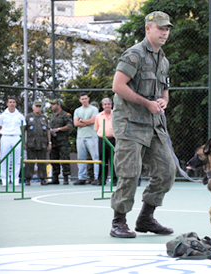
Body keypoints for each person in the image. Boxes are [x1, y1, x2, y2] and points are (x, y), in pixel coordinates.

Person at [109, 11, 176, 238]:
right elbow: (118, 86)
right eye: (160, 28)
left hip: (153, 125)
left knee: (167, 170)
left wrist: (162, 102)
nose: (165, 32)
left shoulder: (163, 60)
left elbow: (165, 91)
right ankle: (118, 222)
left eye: (167, 29)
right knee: (130, 173)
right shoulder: (134, 55)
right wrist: (147, 103)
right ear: (148, 28)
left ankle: (146, 218)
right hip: (130, 123)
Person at [73, 92, 99, 185]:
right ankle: (81, 178)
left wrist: (81, 120)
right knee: (81, 158)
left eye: (85, 98)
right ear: (80, 100)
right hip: (80, 137)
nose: (84, 100)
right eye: (82, 99)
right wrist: (86, 122)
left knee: (95, 158)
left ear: (88, 99)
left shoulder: (94, 109)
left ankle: (97, 178)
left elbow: (93, 121)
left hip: (92, 136)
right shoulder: (77, 110)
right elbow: (75, 123)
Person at [0, 96, 26, 186]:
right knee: (4, 158)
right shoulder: (2, 116)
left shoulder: (20, 116)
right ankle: (4, 179)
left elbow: (22, 128)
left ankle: (15, 179)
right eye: (10, 102)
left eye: (13, 102)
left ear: (16, 104)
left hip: (16, 137)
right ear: (7, 104)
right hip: (5, 137)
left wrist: (22, 139)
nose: (12, 104)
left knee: (16, 159)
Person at [24, 100, 51, 186]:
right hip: (31, 143)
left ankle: (43, 179)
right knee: (30, 162)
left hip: (42, 143)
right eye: (36, 106)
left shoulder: (44, 117)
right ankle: (28, 179)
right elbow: (23, 131)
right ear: (33, 107)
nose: (38, 108)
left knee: (42, 162)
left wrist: (49, 142)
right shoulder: (28, 117)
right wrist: (23, 143)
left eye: (39, 106)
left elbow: (48, 130)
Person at [48, 99, 73, 185]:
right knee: (54, 159)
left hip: (63, 142)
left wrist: (58, 129)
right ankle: (55, 178)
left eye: (53, 104)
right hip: (53, 141)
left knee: (65, 159)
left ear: (58, 105)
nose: (52, 106)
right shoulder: (52, 116)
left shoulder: (66, 115)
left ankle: (66, 178)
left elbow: (70, 126)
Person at [93, 98, 117, 186]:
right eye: (105, 104)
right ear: (102, 106)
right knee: (103, 160)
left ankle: (115, 180)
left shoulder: (115, 114)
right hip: (102, 140)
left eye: (109, 104)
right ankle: (101, 180)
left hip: (113, 139)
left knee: (114, 160)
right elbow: (97, 128)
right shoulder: (99, 116)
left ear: (111, 105)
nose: (107, 106)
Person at [85, 101, 100, 184]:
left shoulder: (101, 116)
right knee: (89, 158)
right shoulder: (87, 116)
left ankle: (97, 177)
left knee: (97, 158)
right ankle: (90, 177)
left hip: (98, 139)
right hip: (89, 138)